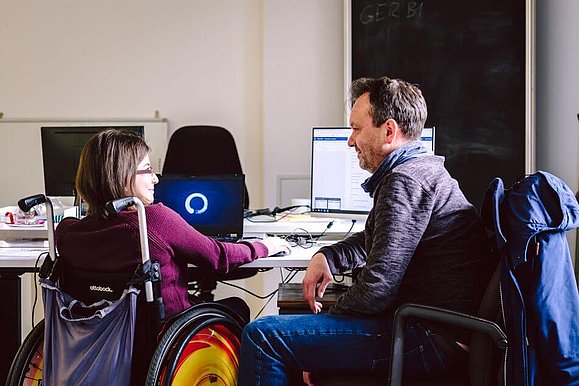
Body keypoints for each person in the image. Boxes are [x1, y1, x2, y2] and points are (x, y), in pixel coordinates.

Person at [237, 76, 496, 385]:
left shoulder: (404, 182)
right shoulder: (419, 169)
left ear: (388, 131)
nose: (350, 141)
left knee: (262, 336)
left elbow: (377, 288)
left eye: (357, 130)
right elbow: (379, 239)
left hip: (427, 338)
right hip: (430, 329)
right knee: (288, 333)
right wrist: (329, 257)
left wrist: (325, 332)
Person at [55, 128, 290, 320]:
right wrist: (265, 246)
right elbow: (218, 256)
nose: (155, 178)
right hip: (163, 330)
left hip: (102, 334)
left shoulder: (68, 232)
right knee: (238, 307)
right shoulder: (155, 220)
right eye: (147, 170)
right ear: (122, 177)